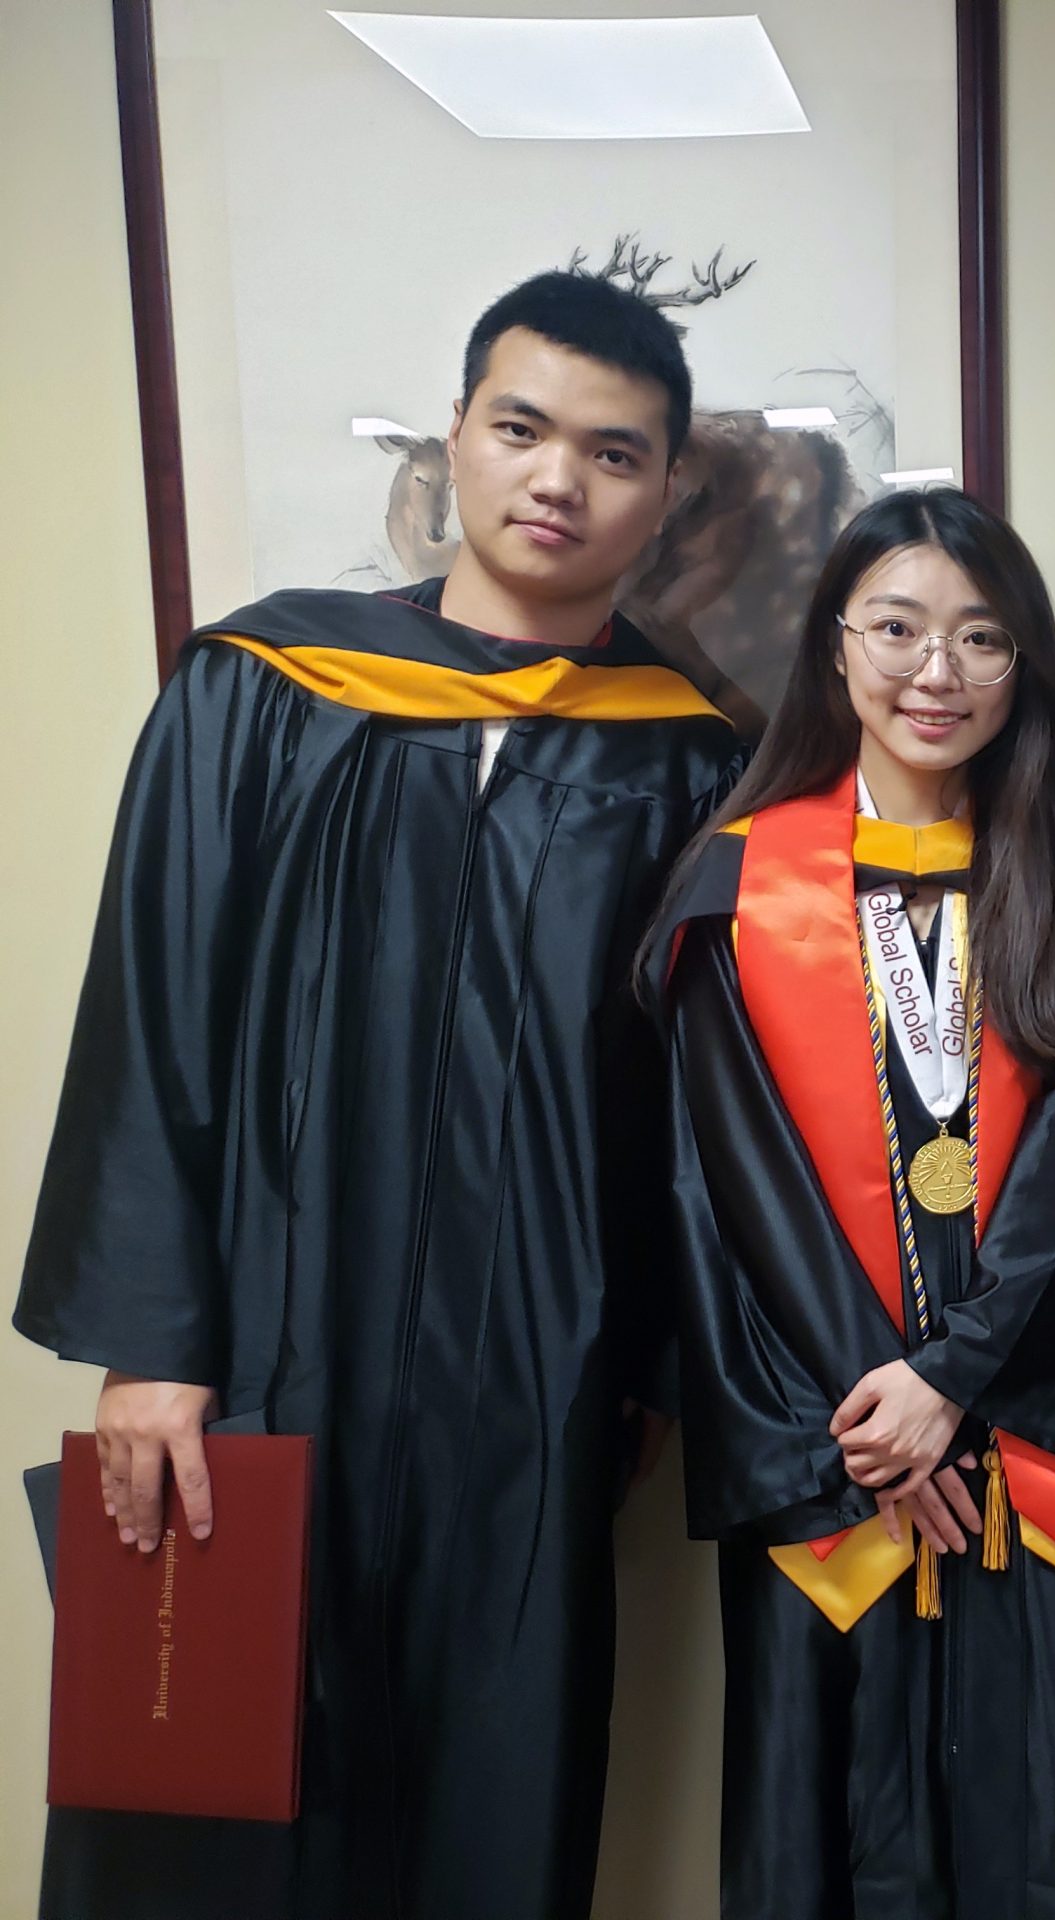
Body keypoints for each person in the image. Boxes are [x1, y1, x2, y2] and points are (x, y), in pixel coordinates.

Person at [15, 270, 737, 1919]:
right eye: (523, 429)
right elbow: (153, 1011)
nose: (559, 479)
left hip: (537, 1364)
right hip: (268, 1337)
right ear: (459, 439)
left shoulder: (693, 758)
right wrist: (154, 1348)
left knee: (494, 1774)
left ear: (667, 492)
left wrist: (643, 1369)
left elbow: (691, 1109)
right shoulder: (262, 692)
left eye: (614, 453)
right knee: (225, 1787)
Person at [645, 487, 1055, 1917]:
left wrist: (956, 1380)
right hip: (840, 1454)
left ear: (1027, 671)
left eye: (982, 638)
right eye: (898, 627)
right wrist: (882, 1415)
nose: (937, 671)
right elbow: (732, 1184)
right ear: (838, 647)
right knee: (843, 1824)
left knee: (1045, 1825)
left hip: (1030, 1435)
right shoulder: (737, 885)